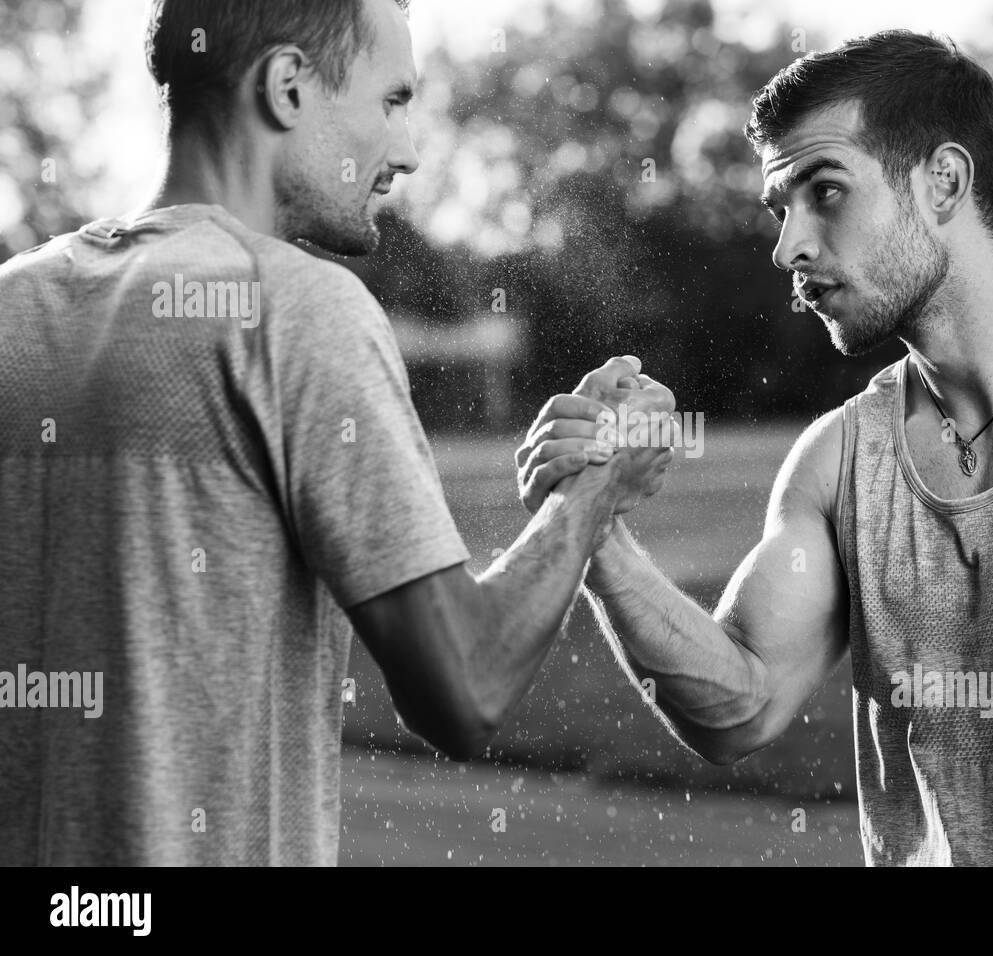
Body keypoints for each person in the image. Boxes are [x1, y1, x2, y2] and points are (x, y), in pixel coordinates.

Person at [517, 31, 993, 865]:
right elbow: (737, 707)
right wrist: (595, 529)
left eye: (824, 192)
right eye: (780, 210)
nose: (789, 248)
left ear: (945, 181)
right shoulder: (840, 460)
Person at [0, 0, 672, 865]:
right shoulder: (296, 307)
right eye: (392, 101)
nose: (409, 149)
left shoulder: (15, 302)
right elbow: (462, 688)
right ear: (287, 87)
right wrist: (593, 491)